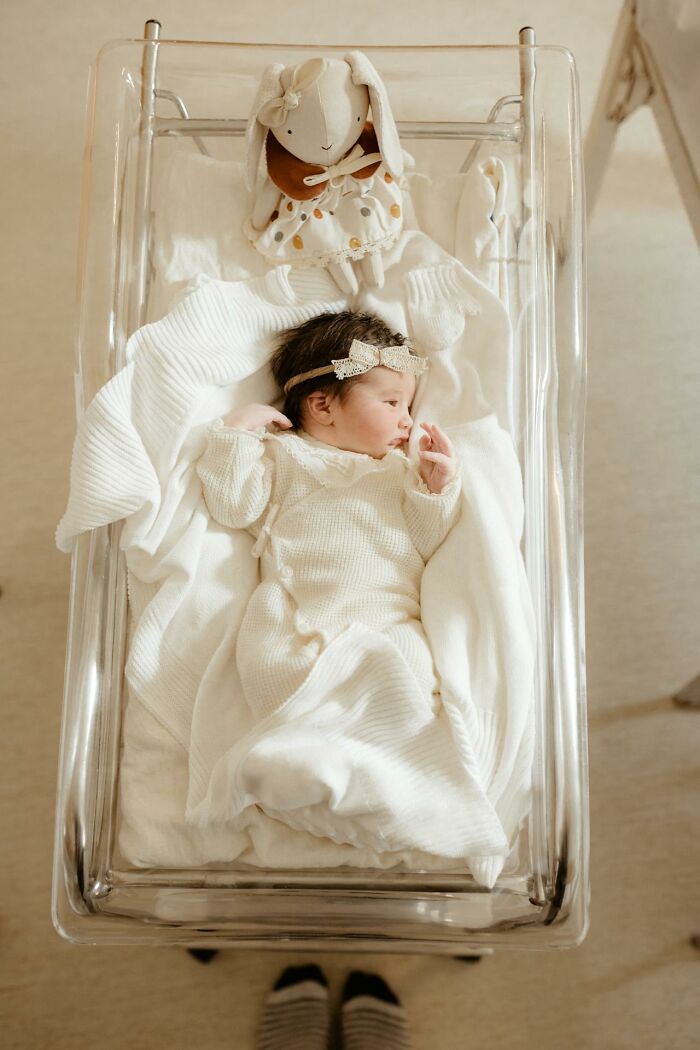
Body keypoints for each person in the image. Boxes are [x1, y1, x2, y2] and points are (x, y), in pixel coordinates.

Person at [196, 310, 462, 727]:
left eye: (407, 405)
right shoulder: (283, 457)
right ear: (322, 405)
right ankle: (309, 746)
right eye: (392, 402)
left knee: (413, 669)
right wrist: (237, 435)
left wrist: (433, 489)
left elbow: (427, 544)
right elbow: (233, 507)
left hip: (386, 619)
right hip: (298, 624)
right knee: (275, 672)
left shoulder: (398, 471)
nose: (407, 419)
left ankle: (370, 755)